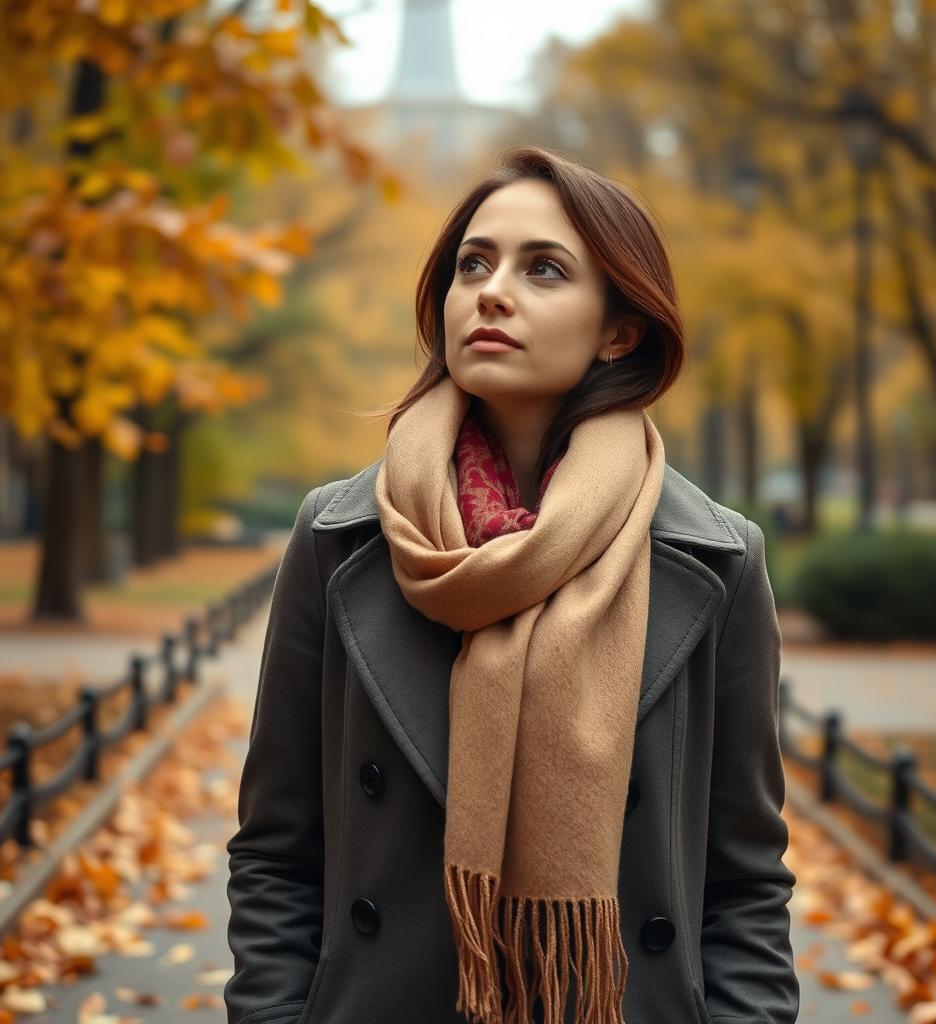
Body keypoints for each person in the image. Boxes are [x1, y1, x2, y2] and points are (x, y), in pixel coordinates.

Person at [223, 145, 799, 1024]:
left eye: (545, 269)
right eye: (473, 263)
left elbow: (746, 881)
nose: (492, 291)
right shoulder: (339, 540)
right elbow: (276, 851)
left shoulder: (718, 562)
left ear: (620, 329)